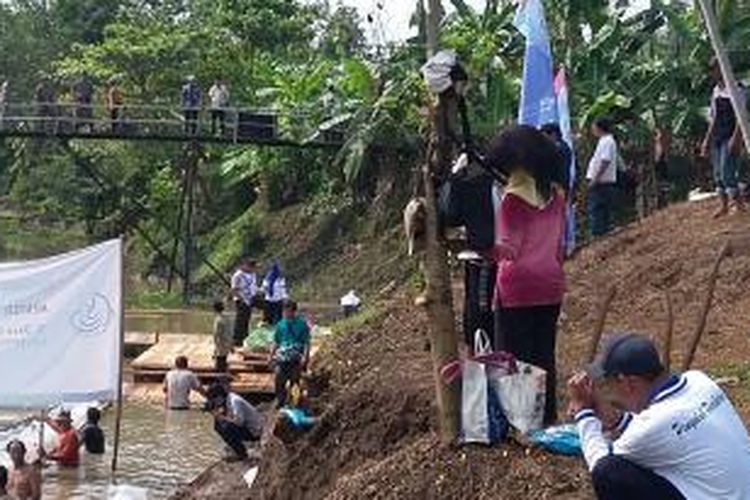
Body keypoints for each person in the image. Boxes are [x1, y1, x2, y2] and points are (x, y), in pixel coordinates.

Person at [569, 332, 750, 500]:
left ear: (628, 383)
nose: (611, 393)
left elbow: (599, 461)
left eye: (610, 384)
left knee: (608, 472)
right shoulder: (699, 380)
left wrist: (584, 413)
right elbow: (662, 429)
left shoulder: (652, 426)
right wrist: (612, 420)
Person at [487, 125, 566, 425]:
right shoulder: (556, 197)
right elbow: (560, 244)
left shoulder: (513, 201)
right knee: (543, 353)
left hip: (517, 289)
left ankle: (522, 421)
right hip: (550, 285)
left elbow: (508, 249)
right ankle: (546, 417)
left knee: (516, 356)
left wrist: (481, 248)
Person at [701, 58, 747, 216]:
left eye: (715, 69)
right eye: (712, 69)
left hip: (730, 135)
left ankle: (739, 205)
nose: (713, 73)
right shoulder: (716, 90)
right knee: (718, 174)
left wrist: (737, 138)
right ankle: (724, 206)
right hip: (718, 136)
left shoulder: (737, 89)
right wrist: (707, 140)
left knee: (727, 171)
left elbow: (742, 116)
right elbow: (713, 118)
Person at [206, 383, 263, 462]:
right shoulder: (227, 400)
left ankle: (242, 454)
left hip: (254, 431)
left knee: (225, 427)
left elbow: (239, 421)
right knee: (218, 425)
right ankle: (237, 450)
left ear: (219, 397)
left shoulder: (234, 401)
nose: (215, 403)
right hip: (247, 428)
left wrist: (223, 418)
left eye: (214, 400)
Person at [270, 300, 311, 407]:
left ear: (294, 312)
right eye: (284, 312)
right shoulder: (280, 324)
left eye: (288, 312)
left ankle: (295, 402)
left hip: (295, 357)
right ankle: (280, 400)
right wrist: (271, 356)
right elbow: (276, 341)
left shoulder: (302, 325)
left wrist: (305, 357)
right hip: (282, 357)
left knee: (295, 381)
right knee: (279, 379)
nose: (286, 314)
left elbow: (306, 342)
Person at [586, 117, 619, 237]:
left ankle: (598, 236)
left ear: (599, 127)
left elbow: (605, 161)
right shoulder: (605, 141)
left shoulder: (607, 141)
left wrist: (595, 179)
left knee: (596, 210)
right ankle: (602, 235)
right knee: (601, 211)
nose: (592, 129)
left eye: (594, 127)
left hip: (601, 183)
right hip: (602, 182)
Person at [540, 123, 574, 197]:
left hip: (556, 186)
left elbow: (561, 170)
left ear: (553, 134)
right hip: (560, 186)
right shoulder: (563, 146)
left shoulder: (558, 149)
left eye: (544, 136)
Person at [231, 257, 258, 346]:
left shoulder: (253, 274)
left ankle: (245, 337)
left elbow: (253, 286)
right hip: (241, 300)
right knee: (240, 320)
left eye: (253, 267)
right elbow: (234, 289)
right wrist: (242, 299)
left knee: (247, 319)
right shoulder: (238, 275)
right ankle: (236, 340)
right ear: (245, 265)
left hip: (250, 299)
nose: (252, 269)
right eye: (250, 266)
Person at [262, 260, 288, 325]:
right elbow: (264, 288)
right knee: (268, 318)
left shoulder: (281, 278)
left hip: (278, 300)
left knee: (279, 317)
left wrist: (285, 298)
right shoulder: (267, 278)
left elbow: (283, 288)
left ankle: (277, 330)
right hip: (269, 300)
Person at [212, 300, 232, 373]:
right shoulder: (228, 318)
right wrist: (230, 344)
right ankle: (223, 373)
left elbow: (216, 334)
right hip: (227, 342)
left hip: (221, 343)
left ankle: (220, 376)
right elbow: (230, 332)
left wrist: (216, 346)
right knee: (223, 359)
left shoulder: (218, 320)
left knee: (220, 361)